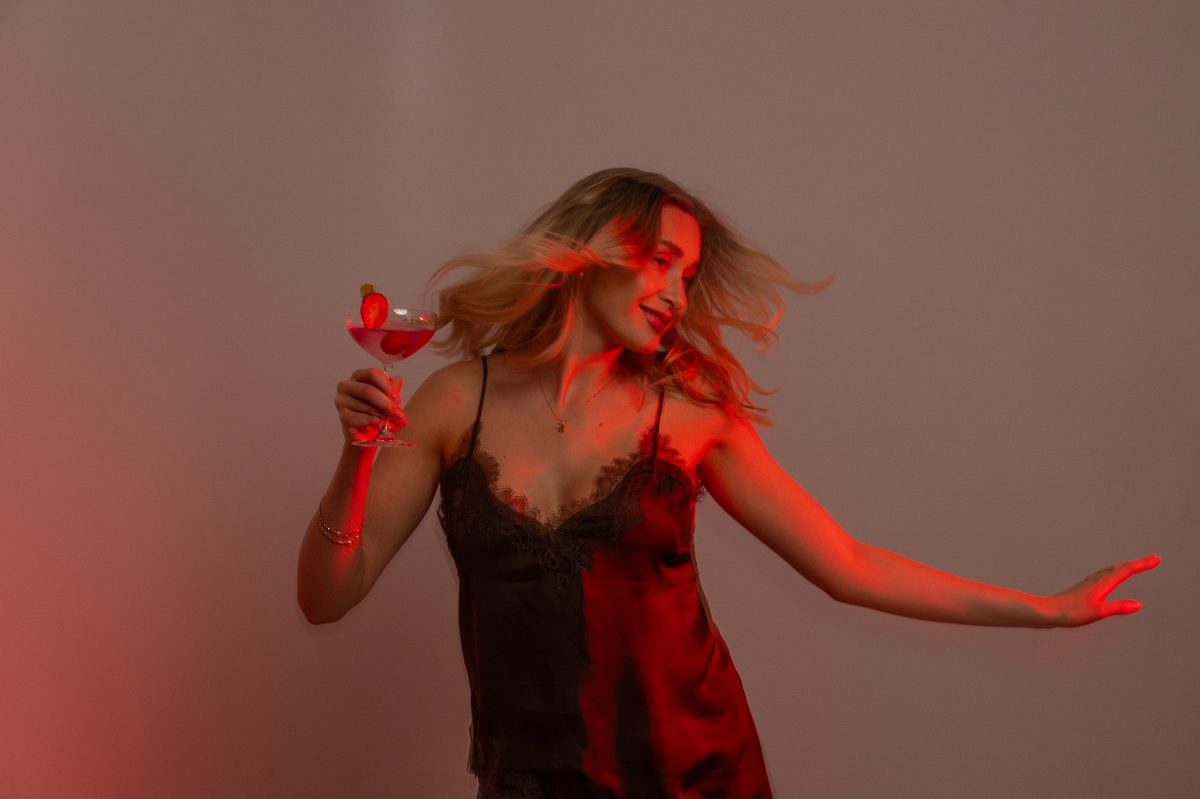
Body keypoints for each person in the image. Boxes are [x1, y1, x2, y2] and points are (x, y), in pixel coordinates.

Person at [297, 168, 1159, 799]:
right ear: (593, 251)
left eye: (689, 274)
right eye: (662, 260)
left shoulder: (691, 416)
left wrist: (1046, 608)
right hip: (532, 777)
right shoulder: (457, 401)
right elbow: (325, 597)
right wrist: (358, 454)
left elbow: (848, 564)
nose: (677, 291)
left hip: (696, 775)